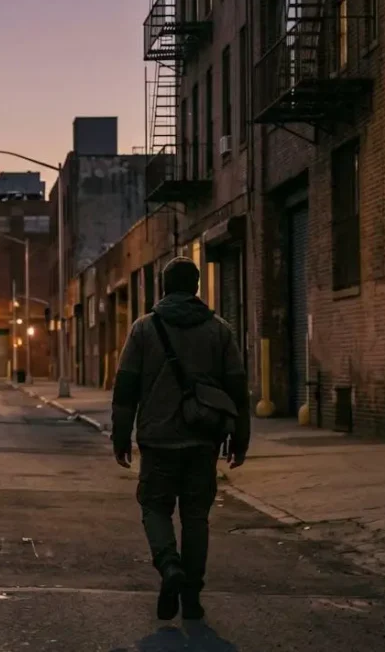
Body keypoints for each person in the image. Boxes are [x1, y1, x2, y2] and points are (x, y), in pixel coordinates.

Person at [110, 256, 250, 621]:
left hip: (157, 441)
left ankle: (169, 565)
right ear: (197, 287)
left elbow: (125, 388)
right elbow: (238, 388)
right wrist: (241, 438)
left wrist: (120, 436)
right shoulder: (220, 330)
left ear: (164, 287)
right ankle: (192, 596)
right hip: (203, 440)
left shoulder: (144, 329)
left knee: (155, 507)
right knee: (196, 517)